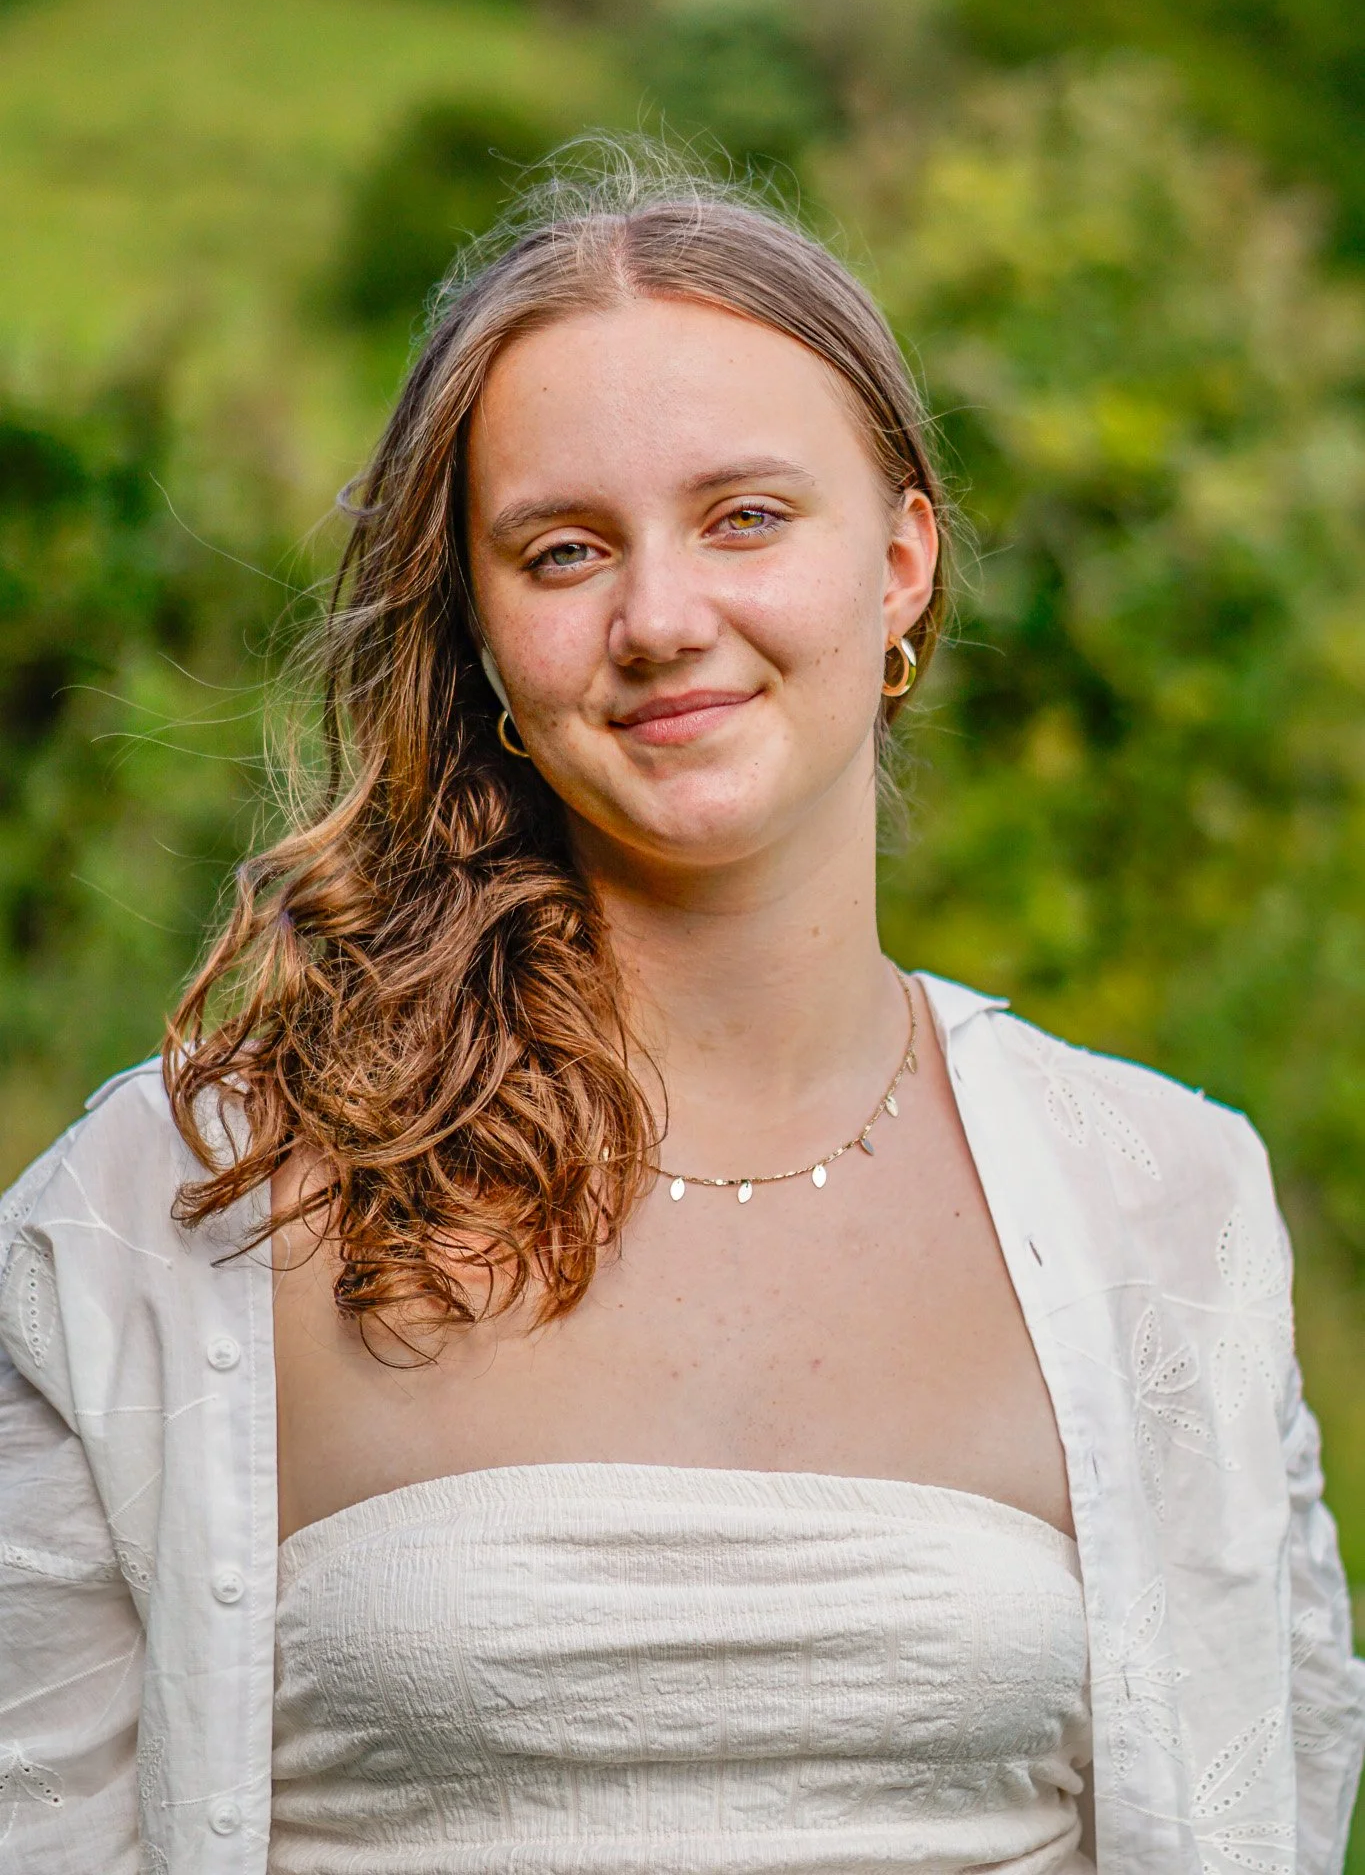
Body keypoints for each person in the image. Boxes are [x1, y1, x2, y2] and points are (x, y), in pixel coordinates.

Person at [1, 154, 1361, 1875]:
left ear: (903, 564)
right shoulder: (173, 1212)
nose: (659, 620)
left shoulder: (1171, 1209)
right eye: (563, 551)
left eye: (747, 517)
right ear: (484, 633)